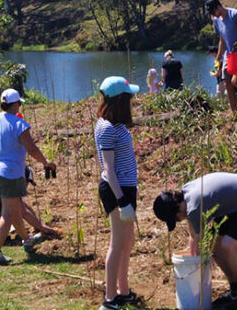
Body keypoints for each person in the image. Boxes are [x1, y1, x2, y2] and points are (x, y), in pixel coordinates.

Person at [153, 172, 237, 310]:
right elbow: (193, 236)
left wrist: (195, 280)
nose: (178, 221)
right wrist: (194, 260)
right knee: (215, 246)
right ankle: (236, 292)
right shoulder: (187, 194)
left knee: (228, 246)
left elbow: (199, 246)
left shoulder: (193, 207)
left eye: (175, 219)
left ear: (176, 210)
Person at [0, 88, 56, 265]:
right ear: (16, 104)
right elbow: (32, 149)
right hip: (9, 174)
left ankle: (27, 240)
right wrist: (46, 163)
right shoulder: (19, 124)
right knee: (7, 214)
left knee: (13, 209)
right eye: (19, 103)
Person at [94, 76, 140, 310]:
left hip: (126, 189)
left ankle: (124, 291)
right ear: (119, 100)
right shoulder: (107, 128)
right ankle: (110, 299)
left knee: (127, 241)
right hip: (116, 191)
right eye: (128, 97)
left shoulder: (115, 125)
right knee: (117, 243)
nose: (131, 101)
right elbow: (109, 169)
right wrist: (122, 201)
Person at [205, 0, 237, 117]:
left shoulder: (235, 14)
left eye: (213, 12)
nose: (212, 15)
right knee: (227, 82)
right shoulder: (217, 21)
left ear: (218, 7)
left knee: (235, 81)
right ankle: (234, 112)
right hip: (228, 55)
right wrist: (218, 58)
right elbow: (222, 40)